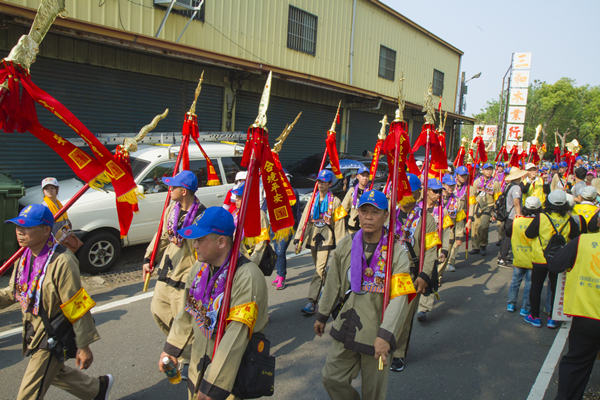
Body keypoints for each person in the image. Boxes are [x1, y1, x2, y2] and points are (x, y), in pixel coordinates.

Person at [0, 204, 113, 400]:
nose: (20, 231)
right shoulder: (24, 258)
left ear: (46, 230)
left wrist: (83, 345)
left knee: (28, 394)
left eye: (27, 227)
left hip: (52, 334)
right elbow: (14, 292)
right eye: (18, 226)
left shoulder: (62, 261)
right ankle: (97, 389)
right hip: (32, 329)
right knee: (55, 372)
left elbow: (77, 304)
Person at [158, 207, 268, 400]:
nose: (195, 245)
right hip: (198, 367)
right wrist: (171, 349)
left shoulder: (247, 276)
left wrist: (212, 388)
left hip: (228, 378)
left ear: (222, 242)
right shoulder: (199, 269)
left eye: (200, 240)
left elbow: (236, 335)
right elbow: (187, 311)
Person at [315, 190, 415, 400]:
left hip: (377, 330)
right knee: (331, 378)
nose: (368, 217)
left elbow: (400, 299)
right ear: (357, 213)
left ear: (386, 215)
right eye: (364, 211)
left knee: (374, 393)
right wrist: (322, 314)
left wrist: (386, 335)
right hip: (346, 323)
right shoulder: (346, 244)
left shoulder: (397, 252)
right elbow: (333, 282)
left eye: (375, 212)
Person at [142, 170, 206, 370]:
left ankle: (192, 359)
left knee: (183, 321)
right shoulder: (172, 208)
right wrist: (149, 257)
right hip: (166, 269)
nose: (169, 190)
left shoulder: (200, 214)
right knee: (158, 311)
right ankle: (184, 350)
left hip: (185, 274)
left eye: (174, 187)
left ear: (185, 191)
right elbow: (161, 235)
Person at [390, 173, 440, 371]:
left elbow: (431, 250)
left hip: (410, 273)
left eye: (409, 191)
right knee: (383, 311)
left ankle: (399, 353)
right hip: (387, 271)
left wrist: (424, 275)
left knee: (404, 315)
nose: (405, 195)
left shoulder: (426, 219)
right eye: (402, 190)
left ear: (418, 193)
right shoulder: (389, 214)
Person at [548, 225, 600, 400]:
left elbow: (555, 264)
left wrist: (554, 248)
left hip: (587, 315)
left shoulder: (583, 241)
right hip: (588, 315)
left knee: (577, 364)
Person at [524, 190, 580, 328]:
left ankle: (535, 317)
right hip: (559, 258)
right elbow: (576, 237)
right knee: (556, 288)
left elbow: (529, 234)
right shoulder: (568, 219)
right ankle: (553, 318)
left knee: (536, 288)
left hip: (540, 258)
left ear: (548, 202)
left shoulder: (541, 217)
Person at [294, 169, 347, 315]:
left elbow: (340, 224)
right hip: (313, 238)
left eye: (324, 182)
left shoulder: (335, 201)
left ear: (330, 183)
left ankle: (312, 301)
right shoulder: (312, 200)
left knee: (319, 269)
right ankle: (329, 291)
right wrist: (299, 238)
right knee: (320, 269)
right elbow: (305, 220)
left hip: (326, 238)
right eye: (319, 181)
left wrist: (342, 244)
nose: (321, 184)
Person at [416, 178, 452, 321]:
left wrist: (444, 250)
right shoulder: (417, 207)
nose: (438, 195)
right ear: (427, 191)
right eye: (435, 191)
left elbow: (446, 231)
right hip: (417, 248)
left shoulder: (443, 210)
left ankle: (423, 309)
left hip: (433, 248)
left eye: (440, 192)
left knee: (430, 276)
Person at [507, 196, 542, 316]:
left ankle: (511, 304)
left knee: (515, 282)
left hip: (518, 257)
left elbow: (507, 232)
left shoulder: (517, 220)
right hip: (532, 259)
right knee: (529, 284)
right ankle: (526, 308)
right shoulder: (539, 222)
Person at [271, 171, 301, 290]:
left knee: (280, 251)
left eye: (287, 178)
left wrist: (299, 230)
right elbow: (264, 206)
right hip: (274, 226)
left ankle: (282, 277)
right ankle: (278, 274)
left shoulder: (293, 192)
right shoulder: (273, 190)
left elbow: (297, 211)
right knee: (276, 251)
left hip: (287, 227)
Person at [229, 183, 270, 266]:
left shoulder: (259, 215)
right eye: (236, 196)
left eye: (239, 197)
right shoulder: (235, 213)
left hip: (249, 259)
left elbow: (262, 242)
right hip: (236, 257)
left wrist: (252, 262)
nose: (236, 199)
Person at [468, 163, 500, 256]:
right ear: (483, 170)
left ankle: (483, 245)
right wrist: (471, 208)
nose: (489, 171)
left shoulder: (495, 183)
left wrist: (495, 212)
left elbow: (497, 198)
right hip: (477, 206)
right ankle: (475, 247)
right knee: (475, 227)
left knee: (483, 227)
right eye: (487, 169)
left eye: (490, 169)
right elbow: (472, 195)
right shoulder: (477, 181)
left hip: (488, 207)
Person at [497, 168, 527, 268]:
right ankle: (503, 259)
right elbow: (516, 203)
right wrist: (519, 217)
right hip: (512, 215)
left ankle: (501, 256)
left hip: (507, 214)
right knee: (509, 237)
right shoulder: (516, 188)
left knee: (505, 236)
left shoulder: (509, 185)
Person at [439, 173, 465, 272]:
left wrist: (459, 236)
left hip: (449, 232)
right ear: (443, 185)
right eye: (449, 185)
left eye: (453, 185)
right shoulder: (437, 198)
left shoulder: (457, 201)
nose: (451, 187)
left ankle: (439, 276)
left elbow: (459, 220)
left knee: (445, 254)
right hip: (435, 230)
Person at [342, 164, 371, 234]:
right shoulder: (352, 190)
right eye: (363, 175)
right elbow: (344, 207)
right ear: (357, 176)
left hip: (366, 227)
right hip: (352, 226)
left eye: (367, 176)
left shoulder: (371, 192)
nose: (365, 178)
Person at [454, 166, 470, 262]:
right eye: (461, 175)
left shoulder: (468, 187)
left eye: (465, 175)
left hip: (461, 215)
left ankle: (451, 260)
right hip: (449, 214)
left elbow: (471, 204)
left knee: (457, 238)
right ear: (456, 175)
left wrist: (470, 219)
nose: (463, 177)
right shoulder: (450, 185)